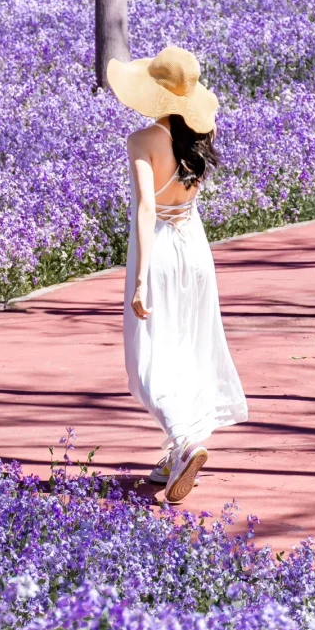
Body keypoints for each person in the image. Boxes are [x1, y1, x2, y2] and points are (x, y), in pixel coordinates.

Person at [106, 46, 248, 505]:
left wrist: (142, 277)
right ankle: (174, 455)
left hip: (162, 252)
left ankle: (186, 442)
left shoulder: (142, 140)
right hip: (196, 250)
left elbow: (148, 208)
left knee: (148, 360)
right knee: (189, 344)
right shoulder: (198, 140)